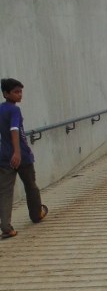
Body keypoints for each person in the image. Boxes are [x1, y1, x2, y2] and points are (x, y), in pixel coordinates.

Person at [0, 78, 48, 239]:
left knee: (5, 192)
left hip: (4, 157)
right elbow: (14, 129)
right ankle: (36, 214)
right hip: (22, 156)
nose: (20, 95)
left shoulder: (1, 109)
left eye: (20, 91)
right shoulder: (14, 110)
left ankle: (6, 227)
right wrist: (18, 152)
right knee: (31, 186)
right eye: (16, 92)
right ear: (6, 93)